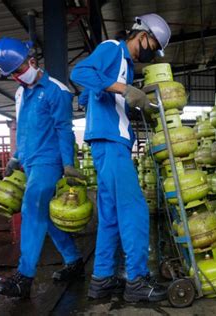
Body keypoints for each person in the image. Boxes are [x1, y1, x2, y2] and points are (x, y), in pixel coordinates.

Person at [70, 13, 170, 302]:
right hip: (110, 144)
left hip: (109, 145)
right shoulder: (113, 48)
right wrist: (125, 90)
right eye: (153, 46)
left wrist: (130, 101)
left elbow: (89, 96)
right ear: (143, 35)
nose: (152, 53)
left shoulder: (125, 65)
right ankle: (137, 282)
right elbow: (80, 73)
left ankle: (101, 281)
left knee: (111, 217)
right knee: (135, 210)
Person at [0, 37, 85, 298]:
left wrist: (67, 164)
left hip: (49, 162)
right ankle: (74, 261)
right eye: (12, 75)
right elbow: (25, 130)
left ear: (32, 61)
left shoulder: (57, 90)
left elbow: (64, 129)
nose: (17, 77)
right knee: (47, 218)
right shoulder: (21, 92)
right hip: (30, 162)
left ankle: (24, 277)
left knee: (31, 209)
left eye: (19, 70)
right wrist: (15, 158)